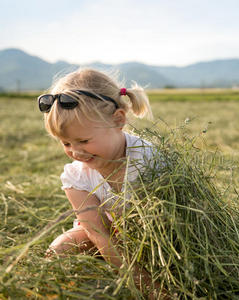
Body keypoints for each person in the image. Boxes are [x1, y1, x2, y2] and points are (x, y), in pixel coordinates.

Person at [39, 68, 160, 295]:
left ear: (118, 121)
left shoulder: (149, 159)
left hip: (150, 236)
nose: (75, 151)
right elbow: (98, 233)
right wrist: (145, 285)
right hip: (105, 235)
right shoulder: (76, 177)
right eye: (65, 143)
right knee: (59, 249)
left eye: (83, 140)